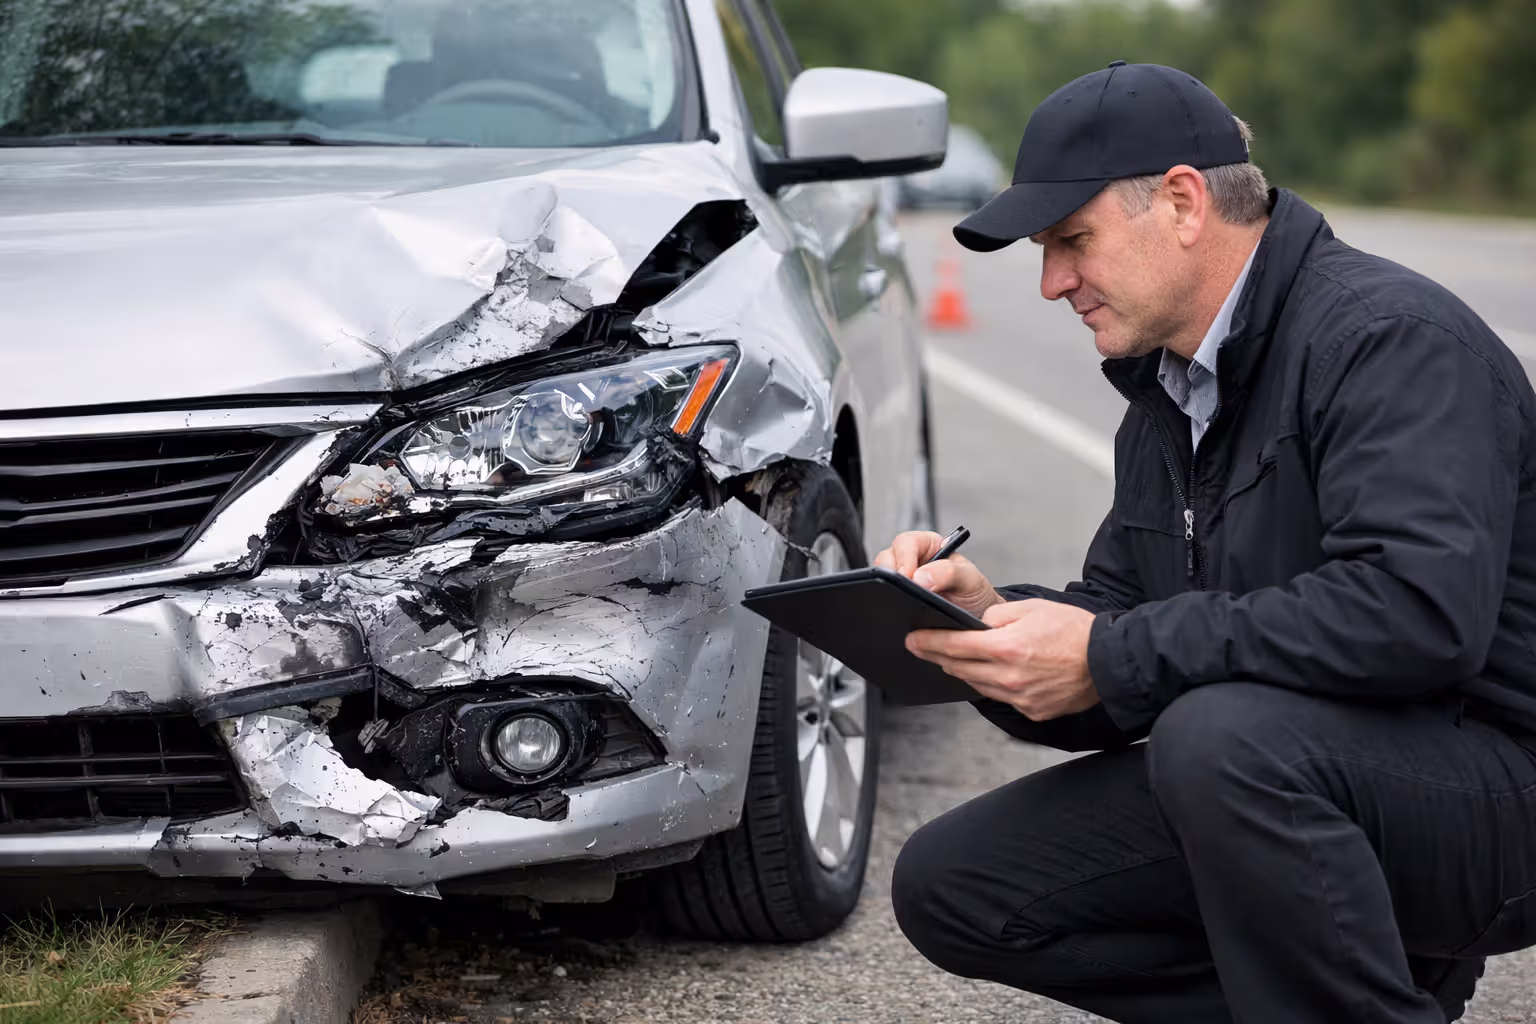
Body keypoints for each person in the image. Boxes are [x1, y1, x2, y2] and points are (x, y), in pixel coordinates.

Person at [882, 62, 1536, 1023]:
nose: (1053, 281)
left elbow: (1416, 617)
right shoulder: (1168, 392)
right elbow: (1122, 634)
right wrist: (991, 624)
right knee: (957, 885)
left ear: (1184, 203)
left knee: (1217, 738)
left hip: (1491, 793)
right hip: (1294, 776)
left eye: (1073, 241)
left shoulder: (1389, 339)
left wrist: (1107, 652)